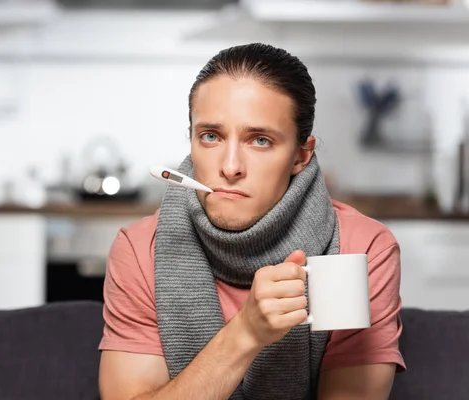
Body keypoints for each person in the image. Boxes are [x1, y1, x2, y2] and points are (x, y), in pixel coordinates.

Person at [98, 43, 406, 400]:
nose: (229, 167)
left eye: (259, 140)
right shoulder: (139, 251)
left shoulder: (359, 251)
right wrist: (245, 334)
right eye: (210, 136)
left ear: (300, 155)